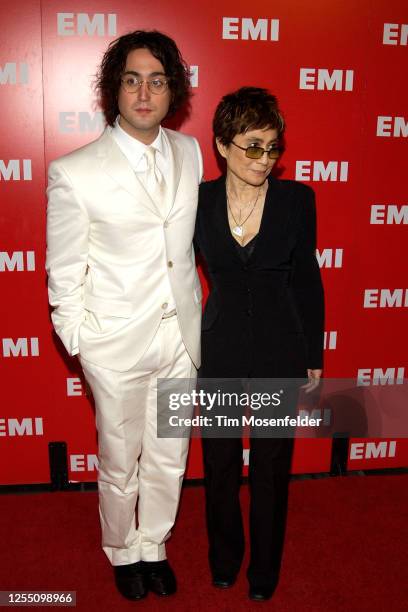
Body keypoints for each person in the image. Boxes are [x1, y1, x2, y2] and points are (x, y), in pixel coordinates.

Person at [46, 30, 203, 601]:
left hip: (180, 339)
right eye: (132, 79)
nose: (144, 92)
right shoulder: (76, 171)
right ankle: (120, 550)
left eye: (157, 80)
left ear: (172, 91)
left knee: (170, 455)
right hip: (115, 343)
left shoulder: (189, 152)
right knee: (119, 462)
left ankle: (153, 545)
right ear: (115, 89)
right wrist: (81, 342)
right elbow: (63, 272)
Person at [194, 87, 324, 601]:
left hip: (279, 348)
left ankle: (264, 571)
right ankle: (224, 558)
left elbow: (307, 280)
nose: (265, 159)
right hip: (218, 346)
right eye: (253, 146)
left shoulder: (297, 200)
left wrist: (313, 354)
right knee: (220, 462)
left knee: (271, 467)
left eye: (273, 147)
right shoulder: (197, 199)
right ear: (223, 144)